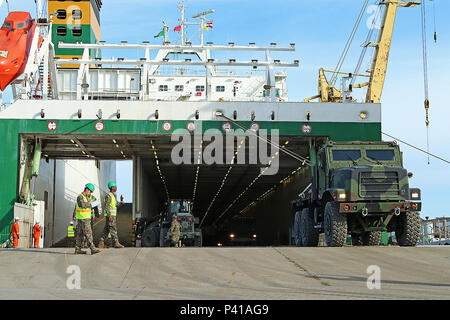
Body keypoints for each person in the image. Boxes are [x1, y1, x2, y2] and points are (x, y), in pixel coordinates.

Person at [74, 183, 100, 255]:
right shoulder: (80, 197)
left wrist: (96, 214)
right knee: (88, 233)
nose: (90, 193)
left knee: (80, 234)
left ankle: (78, 249)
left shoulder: (88, 197)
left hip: (85, 218)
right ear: (87, 189)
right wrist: (90, 204)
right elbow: (81, 205)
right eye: (90, 191)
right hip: (83, 219)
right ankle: (92, 248)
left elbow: (94, 205)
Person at [98, 181, 124, 249]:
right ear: (111, 188)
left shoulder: (113, 196)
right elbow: (107, 206)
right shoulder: (108, 196)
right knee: (113, 228)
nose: (116, 188)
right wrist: (109, 215)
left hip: (112, 215)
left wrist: (121, 201)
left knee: (106, 229)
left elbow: (116, 205)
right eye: (115, 187)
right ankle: (116, 242)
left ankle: (101, 242)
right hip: (111, 216)